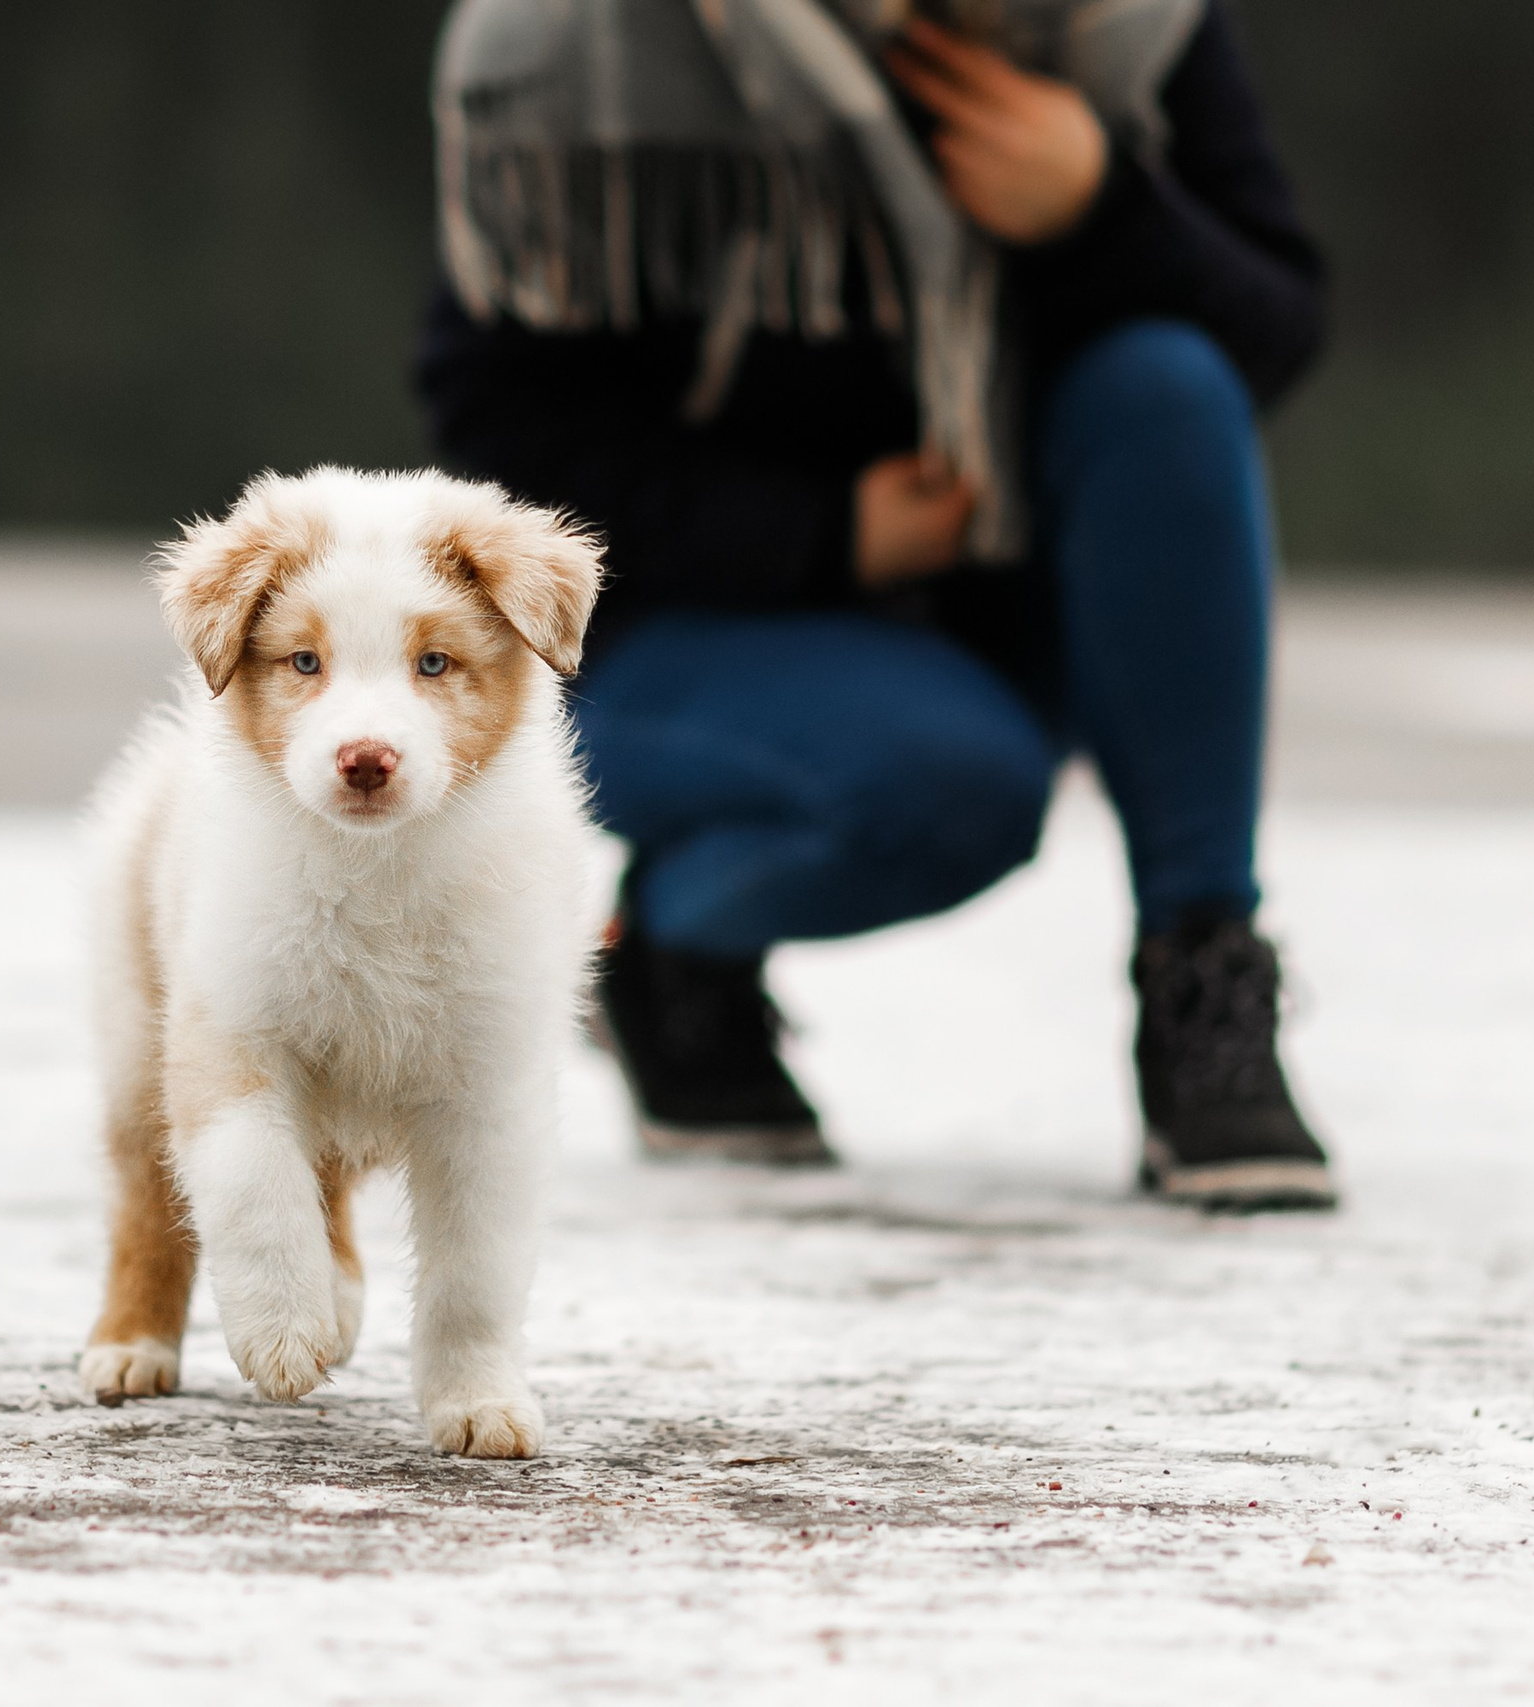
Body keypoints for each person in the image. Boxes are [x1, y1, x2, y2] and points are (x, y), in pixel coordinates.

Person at [418, 0, 1334, 1210]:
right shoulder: (582, 42)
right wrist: (821, 534)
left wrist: (1101, 209)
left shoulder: (1126, 25)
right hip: (671, 629)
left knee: (1162, 383)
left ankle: (1203, 976)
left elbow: (1271, 337)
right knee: (951, 787)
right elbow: (497, 449)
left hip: (989, 600)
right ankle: (669, 953)